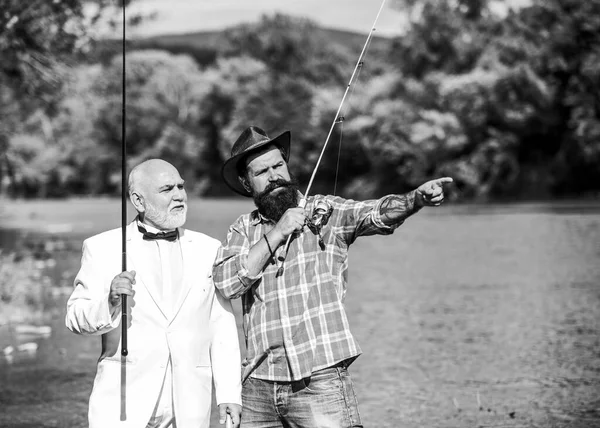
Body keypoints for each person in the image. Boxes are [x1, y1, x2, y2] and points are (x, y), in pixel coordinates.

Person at [213, 126, 453, 428]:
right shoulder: (242, 230)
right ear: (246, 183)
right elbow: (226, 283)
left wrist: (415, 199)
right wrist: (277, 233)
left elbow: (374, 213)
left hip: (321, 379)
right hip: (259, 385)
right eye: (261, 171)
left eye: (278, 165)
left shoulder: (326, 212)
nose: (274, 176)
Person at [65, 159, 242, 428]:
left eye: (181, 186)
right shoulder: (101, 247)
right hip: (122, 408)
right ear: (138, 200)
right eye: (167, 189)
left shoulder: (209, 248)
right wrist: (109, 302)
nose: (179, 195)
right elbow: (75, 317)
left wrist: (229, 392)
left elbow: (222, 325)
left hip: (189, 408)